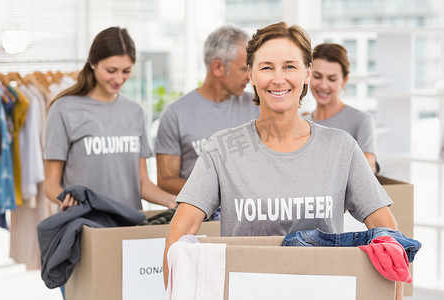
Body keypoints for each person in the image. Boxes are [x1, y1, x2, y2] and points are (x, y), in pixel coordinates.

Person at [163, 22, 403, 299]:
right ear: (251, 75)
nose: (278, 78)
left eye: (290, 66)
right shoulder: (221, 148)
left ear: (306, 74)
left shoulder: (341, 147)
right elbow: (181, 229)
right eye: (267, 67)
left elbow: (387, 232)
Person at [43, 27, 177, 213]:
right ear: (92, 63)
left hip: (128, 226)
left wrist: (172, 201)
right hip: (85, 226)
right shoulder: (64, 110)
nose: (119, 79)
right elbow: (50, 184)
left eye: (126, 71)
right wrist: (67, 200)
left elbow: (142, 182)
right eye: (111, 70)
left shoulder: (135, 111)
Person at [154, 25, 260, 198]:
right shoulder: (176, 114)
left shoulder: (258, 107)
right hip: (201, 220)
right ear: (218, 67)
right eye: (243, 69)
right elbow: (166, 179)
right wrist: (221, 194)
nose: (250, 76)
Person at [304, 43, 379, 173]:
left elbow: (368, 168)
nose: (323, 85)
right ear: (308, 75)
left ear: (344, 80)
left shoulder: (360, 120)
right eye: (317, 76)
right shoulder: (302, 121)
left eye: (332, 79)